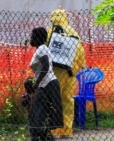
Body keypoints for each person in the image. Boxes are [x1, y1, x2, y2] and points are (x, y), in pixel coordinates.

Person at [47, 8, 86, 137]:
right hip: (70, 71)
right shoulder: (73, 32)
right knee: (67, 100)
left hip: (54, 71)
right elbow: (79, 50)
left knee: (53, 99)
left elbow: (44, 49)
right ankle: (67, 130)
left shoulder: (50, 32)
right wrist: (81, 65)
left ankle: (53, 130)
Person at [28, 27, 63, 141]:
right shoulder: (40, 49)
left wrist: (36, 83)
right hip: (46, 84)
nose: (31, 38)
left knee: (40, 112)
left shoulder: (42, 48)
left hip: (48, 84)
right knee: (43, 113)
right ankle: (44, 135)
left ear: (38, 38)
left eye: (33, 36)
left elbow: (46, 66)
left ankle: (38, 136)